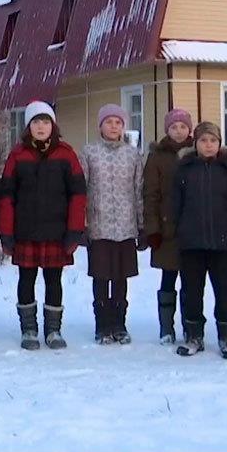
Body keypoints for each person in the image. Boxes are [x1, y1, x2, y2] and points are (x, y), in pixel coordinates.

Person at [0, 100, 86, 351]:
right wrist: (6, 232)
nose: (41, 127)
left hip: (57, 233)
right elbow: (6, 197)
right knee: (26, 280)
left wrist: (74, 230)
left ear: (53, 126)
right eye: (36, 122)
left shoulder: (67, 154)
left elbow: (78, 195)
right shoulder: (17, 156)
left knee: (53, 280)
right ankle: (29, 329)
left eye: (46, 121)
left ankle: (53, 330)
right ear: (28, 126)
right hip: (25, 232)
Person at [171, 121, 227, 359]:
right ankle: (193, 335)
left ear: (219, 143)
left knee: (224, 292)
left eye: (213, 140)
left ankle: (226, 337)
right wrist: (181, 229)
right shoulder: (184, 169)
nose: (208, 145)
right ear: (195, 143)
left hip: (221, 242)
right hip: (191, 242)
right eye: (203, 140)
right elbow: (176, 204)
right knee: (192, 291)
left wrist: (225, 223)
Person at [80, 104, 143, 345]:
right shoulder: (89, 152)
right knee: (101, 277)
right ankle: (102, 324)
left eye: (118, 122)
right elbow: (82, 189)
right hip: (99, 226)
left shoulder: (133, 154)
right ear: (100, 126)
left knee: (120, 278)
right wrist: (82, 223)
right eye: (109, 122)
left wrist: (141, 224)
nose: (113, 126)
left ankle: (119, 323)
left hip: (125, 227)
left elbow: (138, 190)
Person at [142, 108, 194, 344]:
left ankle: (190, 326)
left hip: (192, 229)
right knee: (168, 278)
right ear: (167, 130)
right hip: (167, 229)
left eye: (183, 127)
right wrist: (152, 228)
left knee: (191, 282)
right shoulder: (157, 157)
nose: (179, 131)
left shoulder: (196, 153)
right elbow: (150, 194)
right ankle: (166, 327)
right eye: (174, 127)